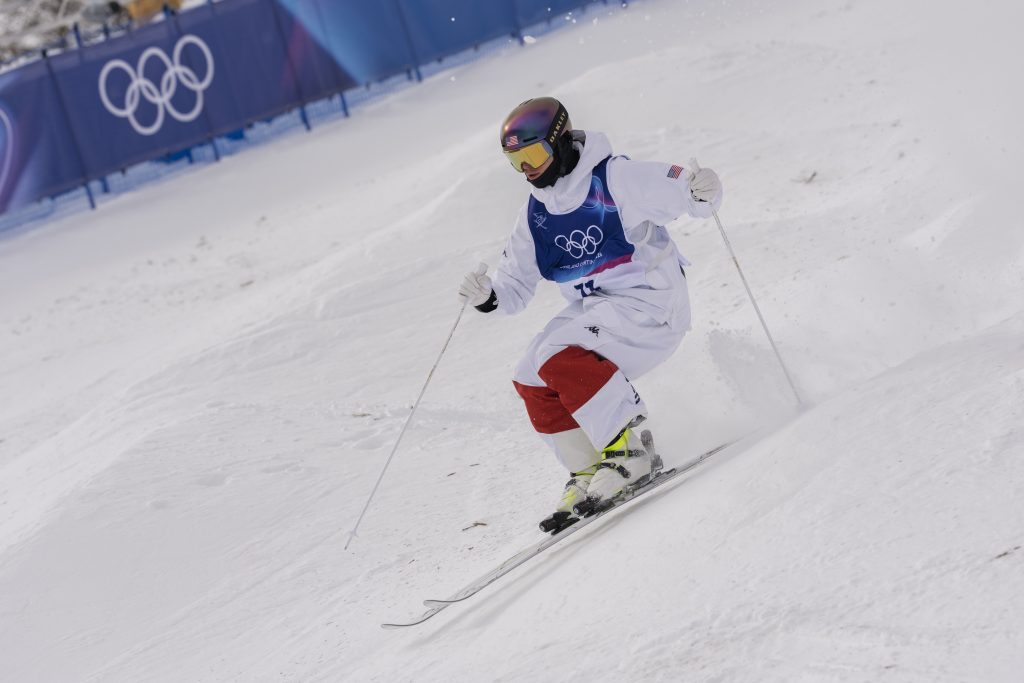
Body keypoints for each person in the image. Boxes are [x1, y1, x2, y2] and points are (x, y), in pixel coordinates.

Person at [458, 97, 723, 532]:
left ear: (561, 141)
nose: (528, 170)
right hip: (601, 310)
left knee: (556, 354)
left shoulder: (615, 179)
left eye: (534, 155)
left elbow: (689, 195)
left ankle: (629, 453)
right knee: (530, 375)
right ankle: (588, 467)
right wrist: (488, 295)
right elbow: (514, 288)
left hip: (651, 305)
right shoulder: (536, 215)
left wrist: (703, 190)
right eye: (516, 162)